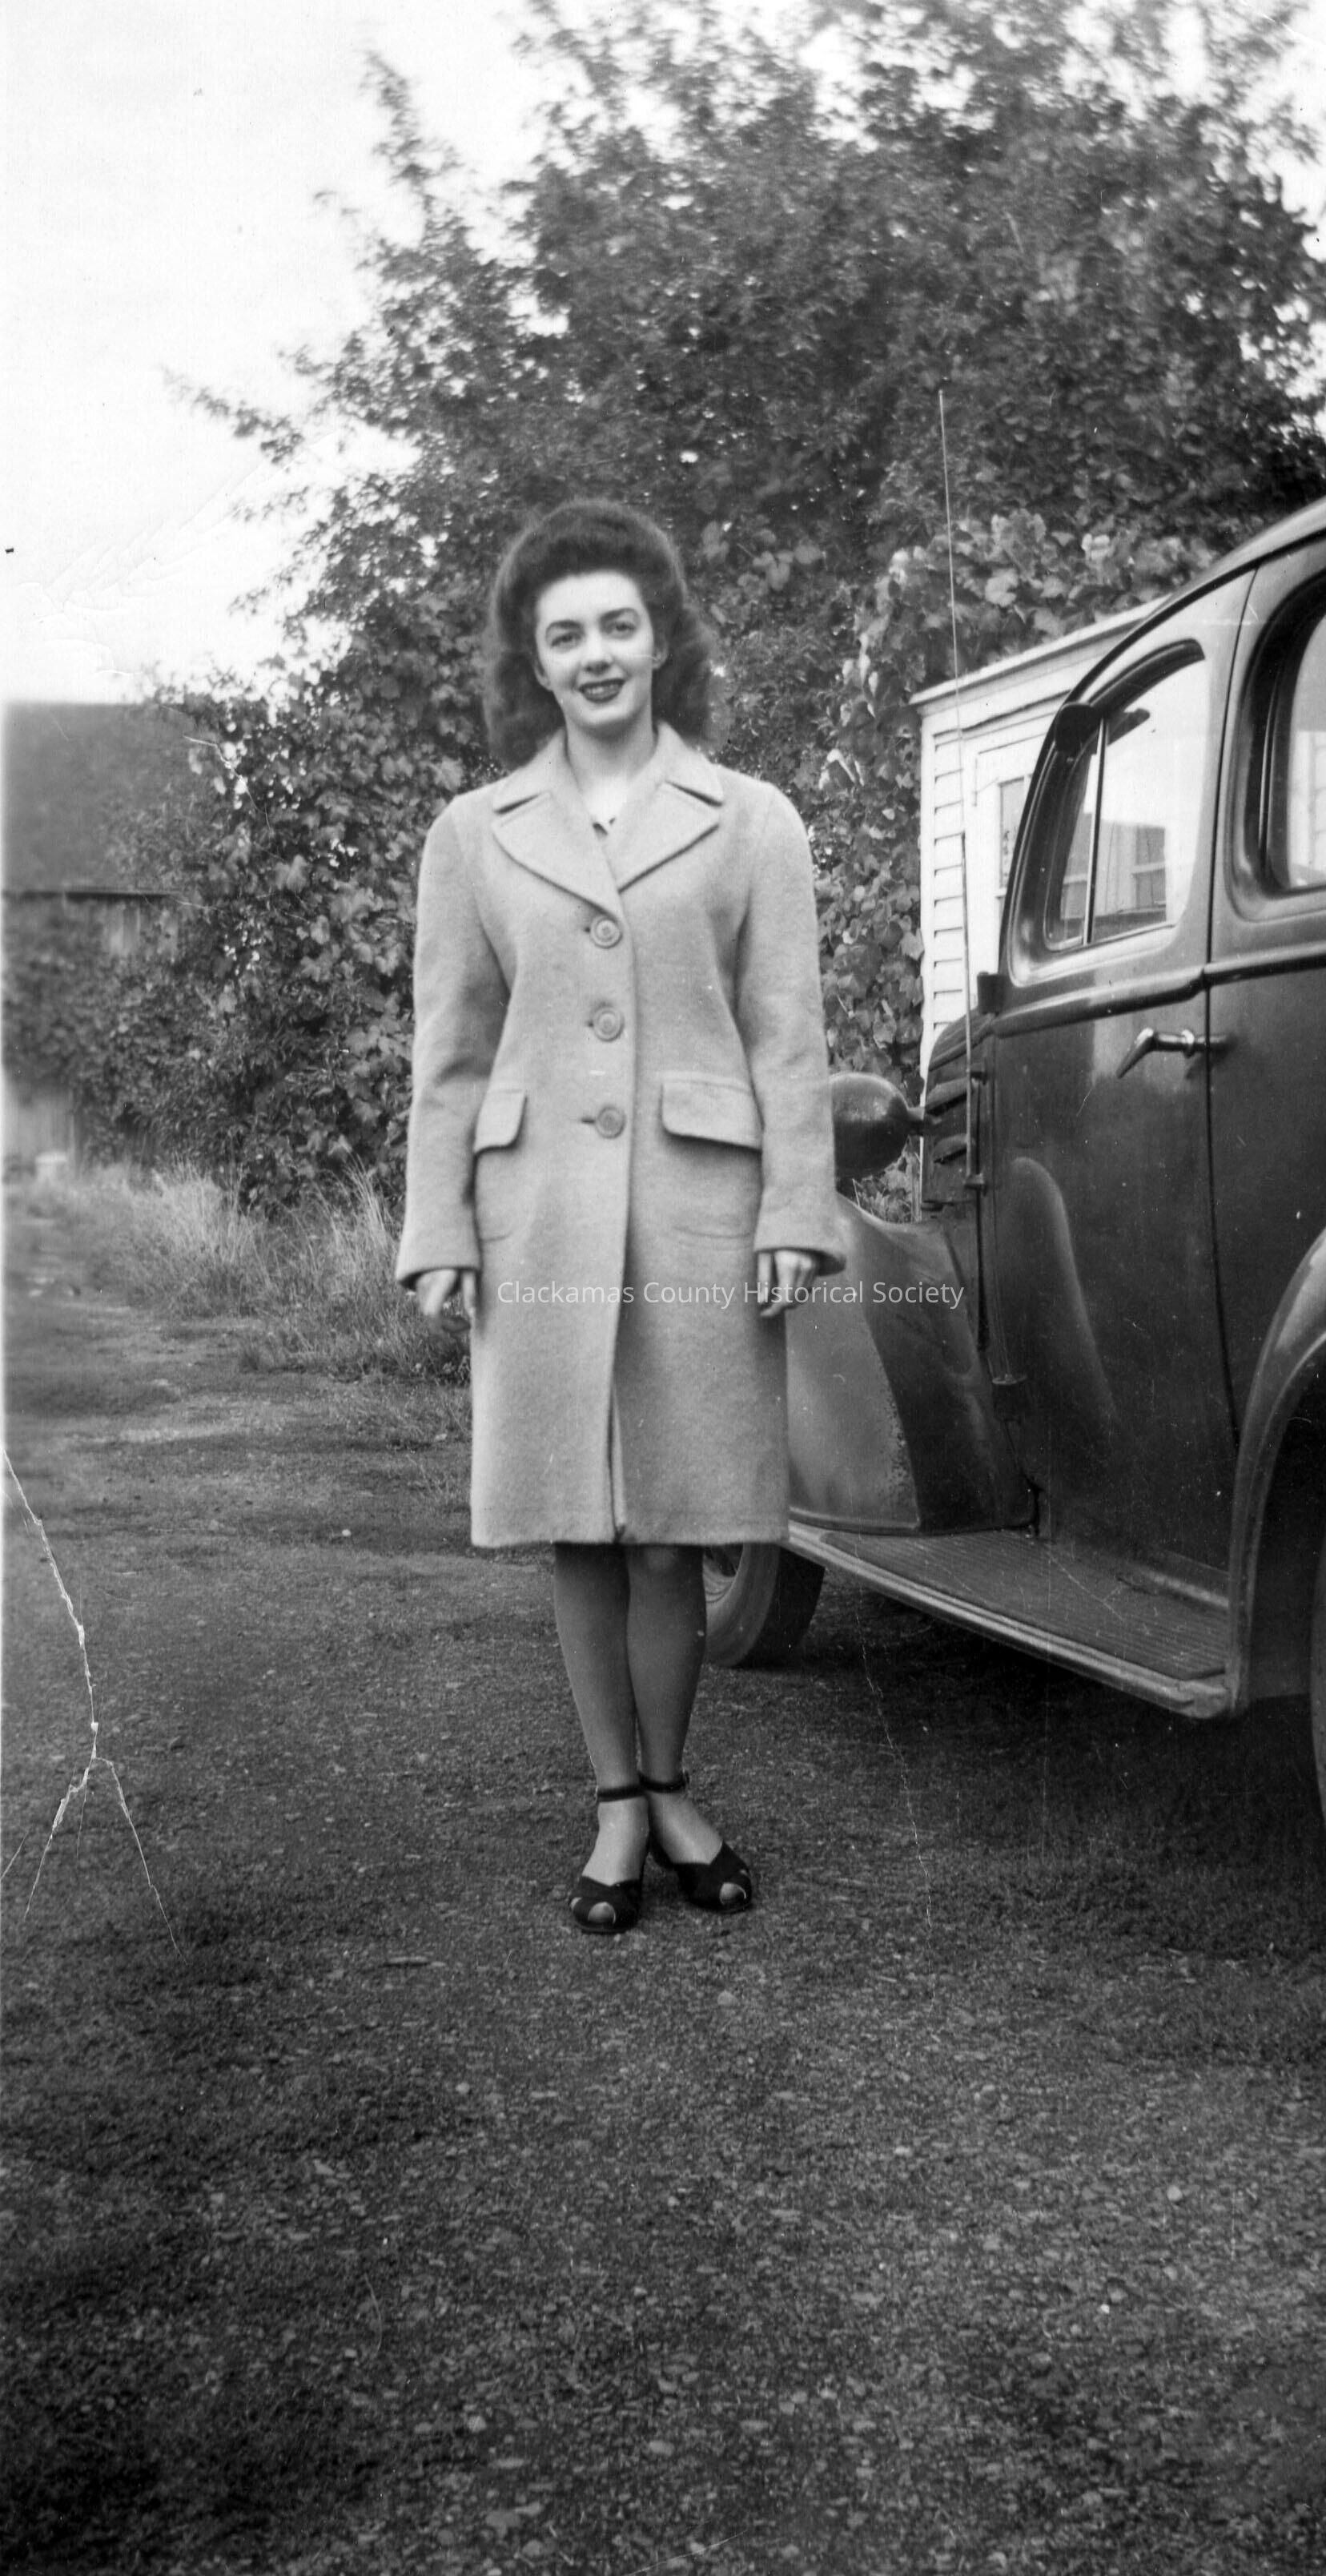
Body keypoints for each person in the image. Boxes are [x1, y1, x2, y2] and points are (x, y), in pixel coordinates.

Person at [396, 499, 844, 1932]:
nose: (595, 654)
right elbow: (450, 1056)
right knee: (577, 1529)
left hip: (697, 1212)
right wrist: (439, 1229)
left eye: (618, 626)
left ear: (661, 642)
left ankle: (671, 1785)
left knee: (672, 1529)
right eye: (565, 634)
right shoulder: (473, 835)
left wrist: (796, 1205)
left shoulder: (752, 820)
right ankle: (615, 1807)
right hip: (536, 1216)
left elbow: (787, 1036)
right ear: (533, 661)